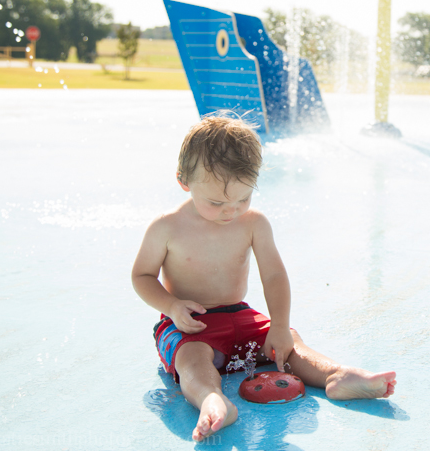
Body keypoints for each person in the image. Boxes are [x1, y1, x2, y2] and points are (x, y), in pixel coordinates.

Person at [131, 114, 396, 442]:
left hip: (240, 315)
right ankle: (213, 401)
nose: (231, 210)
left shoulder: (253, 223)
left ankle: (336, 376)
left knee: (290, 345)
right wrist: (171, 306)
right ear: (183, 181)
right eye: (216, 202)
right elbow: (142, 275)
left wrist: (280, 326)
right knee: (193, 361)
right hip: (189, 324)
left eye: (243, 198)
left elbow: (273, 275)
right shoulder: (167, 228)